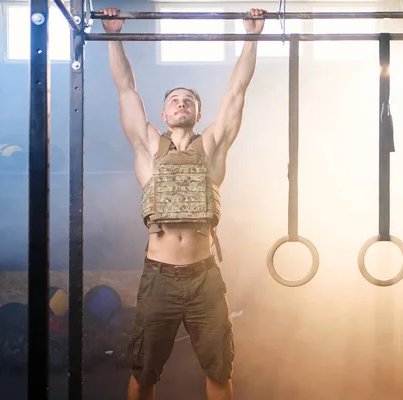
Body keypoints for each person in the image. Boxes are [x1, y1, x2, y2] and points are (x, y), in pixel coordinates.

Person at [99, 7, 266, 400]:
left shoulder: (211, 148)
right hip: (159, 277)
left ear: (198, 113)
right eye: (174, 99)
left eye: (188, 99)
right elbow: (126, 89)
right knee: (144, 373)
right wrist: (113, 35)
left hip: (204, 278)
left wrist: (252, 36)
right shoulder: (147, 147)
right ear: (163, 114)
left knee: (219, 370)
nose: (181, 103)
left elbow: (237, 91)